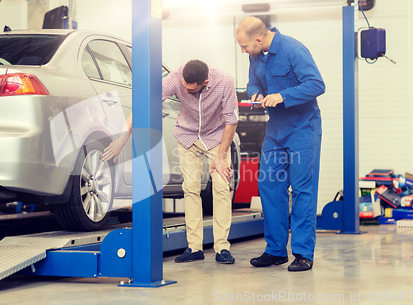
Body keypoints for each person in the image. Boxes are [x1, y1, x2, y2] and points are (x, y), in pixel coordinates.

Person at [102, 59, 239, 264]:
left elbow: (231, 119)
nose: (185, 91)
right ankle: (194, 248)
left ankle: (222, 248)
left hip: (216, 138)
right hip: (187, 137)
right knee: (190, 189)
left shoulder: (224, 81)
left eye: (190, 90)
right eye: (183, 87)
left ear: (206, 82)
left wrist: (220, 157)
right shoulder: (174, 78)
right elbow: (144, 105)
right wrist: (123, 138)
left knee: (220, 188)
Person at [235, 17, 325, 272]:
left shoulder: (293, 50)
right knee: (269, 185)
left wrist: (283, 96)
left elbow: (317, 84)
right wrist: (256, 94)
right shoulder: (256, 56)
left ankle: (303, 253)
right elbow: (254, 82)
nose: (242, 51)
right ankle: (275, 251)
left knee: (302, 188)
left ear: (259, 39)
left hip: (302, 128)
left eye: (244, 46)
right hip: (276, 130)